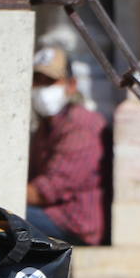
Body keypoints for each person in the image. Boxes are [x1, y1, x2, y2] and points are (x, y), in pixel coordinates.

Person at [26, 45, 108, 245]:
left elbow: (47, 191)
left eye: (50, 81)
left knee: (2, 219)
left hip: (75, 224)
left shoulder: (82, 125)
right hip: (50, 214)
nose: (42, 89)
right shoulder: (47, 125)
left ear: (71, 85)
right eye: (37, 81)